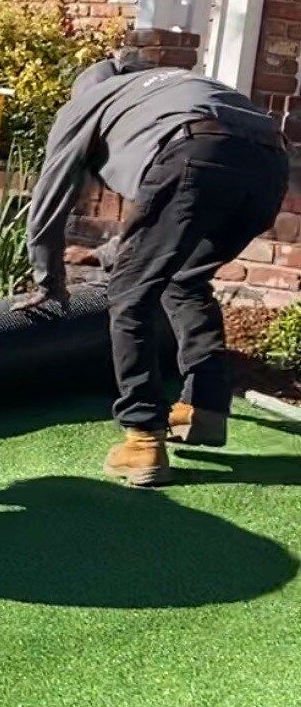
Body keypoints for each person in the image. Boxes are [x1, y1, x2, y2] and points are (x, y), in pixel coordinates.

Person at [19, 51, 288, 486]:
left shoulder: (87, 102)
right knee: (184, 279)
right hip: (270, 167)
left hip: (194, 152)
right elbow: (166, 221)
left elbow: (50, 200)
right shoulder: (173, 87)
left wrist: (49, 281)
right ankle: (206, 408)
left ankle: (142, 437)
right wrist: (107, 254)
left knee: (129, 295)